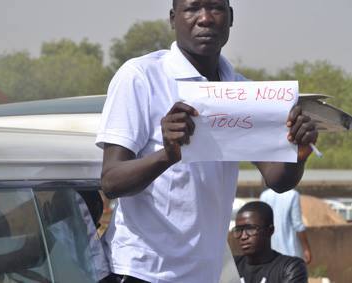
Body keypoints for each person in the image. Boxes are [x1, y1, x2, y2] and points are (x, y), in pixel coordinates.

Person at [96, 0, 318, 282]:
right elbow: (112, 181)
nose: (205, 19)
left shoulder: (243, 92)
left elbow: (278, 179)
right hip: (143, 270)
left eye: (216, 8)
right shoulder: (141, 77)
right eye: (192, 9)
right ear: (173, 18)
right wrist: (167, 155)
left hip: (205, 274)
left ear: (231, 18)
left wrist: (298, 155)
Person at [232, 201, 308, 283]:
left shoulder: (289, 268)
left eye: (250, 229)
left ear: (269, 230)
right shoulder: (231, 266)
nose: (243, 236)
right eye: (238, 230)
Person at [260, 188, 312, 264]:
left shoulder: (264, 196)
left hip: (270, 254)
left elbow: (261, 223)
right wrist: (306, 248)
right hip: (290, 253)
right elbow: (298, 225)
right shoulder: (293, 195)